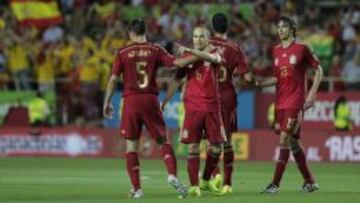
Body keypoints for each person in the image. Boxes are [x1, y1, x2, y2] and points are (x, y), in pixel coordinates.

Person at [103, 19, 197, 199]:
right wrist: (200, 55)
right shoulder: (156, 49)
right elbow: (178, 64)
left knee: (131, 145)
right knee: (163, 141)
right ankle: (172, 175)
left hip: (130, 101)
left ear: (130, 33)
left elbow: (113, 79)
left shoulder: (122, 52)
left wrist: (107, 102)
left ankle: (137, 189)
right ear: (145, 31)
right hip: (150, 99)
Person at [256, 16, 323, 193]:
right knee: (293, 142)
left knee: (284, 138)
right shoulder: (276, 50)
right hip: (280, 101)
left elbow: (319, 70)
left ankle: (275, 184)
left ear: (292, 29)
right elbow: (276, 77)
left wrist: (313, 93)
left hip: (296, 100)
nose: (280, 30)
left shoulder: (302, 47)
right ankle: (310, 182)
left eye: (284, 27)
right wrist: (259, 83)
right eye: (278, 27)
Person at [162, 26, 225, 197]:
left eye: (201, 37)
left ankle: (205, 180)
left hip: (212, 107)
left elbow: (210, 58)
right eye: (195, 37)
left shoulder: (216, 51)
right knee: (193, 147)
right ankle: (195, 186)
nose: (198, 40)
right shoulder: (186, 57)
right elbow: (176, 80)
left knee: (216, 149)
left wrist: (190, 50)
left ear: (208, 38)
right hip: (193, 107)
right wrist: (165, 101)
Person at [202, 12, 255, 195]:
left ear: (212, 27)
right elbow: (246, 76)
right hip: (228, 98)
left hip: (209, 98)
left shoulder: (206, 45)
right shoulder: (235, 48)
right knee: (228, 143)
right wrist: (250, 78)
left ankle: (214, 174)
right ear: (228, 27)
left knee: (211, 141)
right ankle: (227, 183)